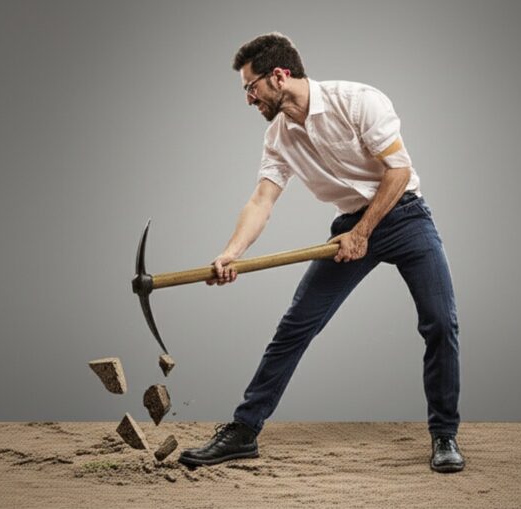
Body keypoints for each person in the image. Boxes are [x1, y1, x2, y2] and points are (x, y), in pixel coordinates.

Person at [178, 33, 463, 473]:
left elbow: (399, 170)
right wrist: (231, 253)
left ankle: (444, 435)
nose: (249, 98)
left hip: (405, 216)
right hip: (348, 228)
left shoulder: (359, 100)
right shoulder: (278, 137)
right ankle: (243, 430)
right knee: (295, 326)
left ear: (279, 75)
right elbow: (261, 200)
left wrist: (366, 231)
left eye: (251, 87)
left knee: (441, 323)